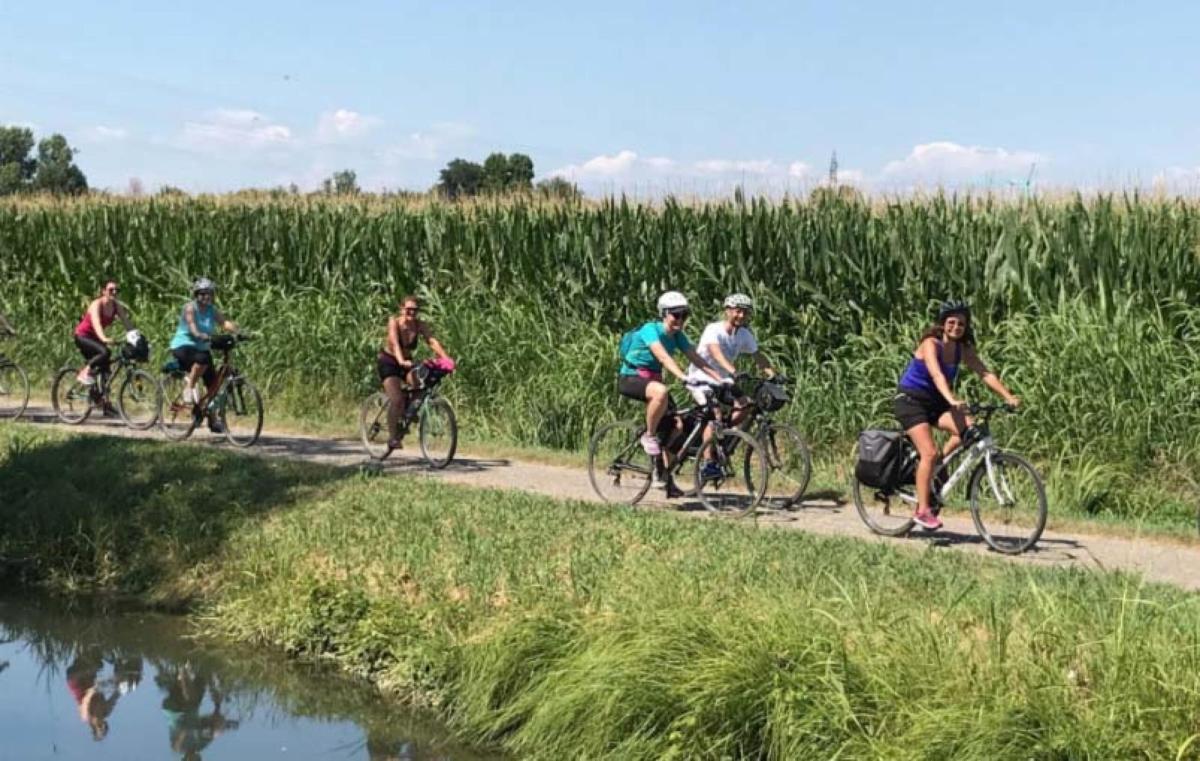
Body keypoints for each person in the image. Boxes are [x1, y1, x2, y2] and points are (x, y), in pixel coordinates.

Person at [894, 300, 1021, 530]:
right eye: (951, 322)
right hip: (911, 401)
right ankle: (922, 510)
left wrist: (1008, 396)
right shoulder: (931, 344)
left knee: (970, 430)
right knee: (928, 452)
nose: (956, 327)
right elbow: (936, 374)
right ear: (943, 324)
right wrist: (952, 400)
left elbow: (984, 373)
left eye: (961, 323)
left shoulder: (962, 349)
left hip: (935, 402)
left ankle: (935, 466)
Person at [618, 291, 727, 495]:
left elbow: (697, 359)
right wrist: (683, 377)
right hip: (631, 378)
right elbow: (663, 358)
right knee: (661, 392)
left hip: (653, 382)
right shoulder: (650, 330)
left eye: (684, 315)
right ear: (664, 314)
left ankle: (664, 475)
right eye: (676, 315)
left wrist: (722, 379)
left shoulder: (678, 336)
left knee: (676, 426)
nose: (680, 320)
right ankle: (648, 436)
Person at [685, 293, 777, 480]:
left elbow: (758, 356)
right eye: (737, 312)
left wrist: (773, 374)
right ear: (728, 311)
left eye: (745, 313)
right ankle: (708, 463)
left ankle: (720, 435)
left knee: (746, 404)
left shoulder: (744, 334)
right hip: (701, 379)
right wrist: (732, 370)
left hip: (724, 380)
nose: (741, 316)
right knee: (714, 414)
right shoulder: (714, 329)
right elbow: (715, 352)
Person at [376, 295, 452, 449]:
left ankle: (408, 413)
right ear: (402, 309)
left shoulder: (418, 325)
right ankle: (392, 437)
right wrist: (400, 360)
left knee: (419, 386)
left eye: (415, 310)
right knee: (396, 399)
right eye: (408, 309)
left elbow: (431, 340)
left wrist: (446, 358)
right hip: (389, 362)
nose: (411, 313)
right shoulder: (394, 322)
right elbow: (395, 343)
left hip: (406, 363)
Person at [169, 277, 237, 430]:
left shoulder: (212, 310)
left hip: (201, 348)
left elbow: (224, 323)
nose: (208, 297)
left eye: (210, 294)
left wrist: (238, 331)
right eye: (204, 294)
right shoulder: (189, 308)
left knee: (213, 383)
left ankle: (211, 420)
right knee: (204, 358)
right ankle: (190, 387)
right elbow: (192, 324)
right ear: (197, 294)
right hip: (183, 346)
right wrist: (198, 334)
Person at [73, 279, 135, 389]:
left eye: (117, 290)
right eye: (111, 290)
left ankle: (101, 400)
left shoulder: (116, 306)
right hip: (83, 336)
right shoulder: (96, 304)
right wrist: (104, 338)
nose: (114, 292)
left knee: (106, 370)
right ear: (104, 291)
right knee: (105, 352)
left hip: (95, 338)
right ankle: (85, 372)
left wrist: (136, 336)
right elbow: (97, 324)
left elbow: (126, 322)